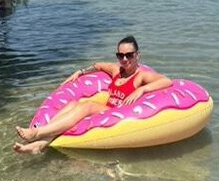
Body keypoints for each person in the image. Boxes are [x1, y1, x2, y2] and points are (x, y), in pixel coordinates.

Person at [13, 35, 173, 154]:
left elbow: (166, 81)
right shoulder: (116, 70)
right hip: (105, 109)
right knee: (73, 104)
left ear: (137, 55)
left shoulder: (141, 76)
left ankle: (37, 132)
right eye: (120, 55)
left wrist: (141, 89)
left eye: (129, 55)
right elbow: (97, 65)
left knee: (88, 106)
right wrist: (80, 72)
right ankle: (40, 144)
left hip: (119, 113)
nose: (124, 59)